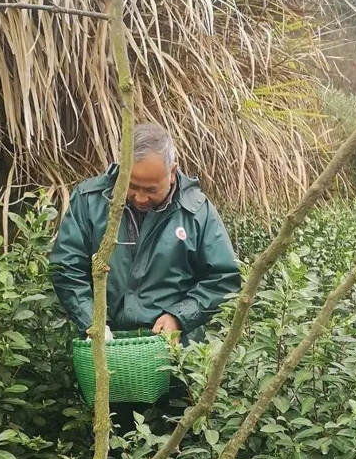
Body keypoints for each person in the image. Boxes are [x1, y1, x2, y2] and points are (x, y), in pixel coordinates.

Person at [50, 122, 240, 338]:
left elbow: (224, 277)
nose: (140, 198)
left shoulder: (197, 212)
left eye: (151, 190)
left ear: (172, 172)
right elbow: (66, 268)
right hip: (102, 344)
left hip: (174, 350)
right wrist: (92, 321)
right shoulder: (89, 201)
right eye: (132, 185)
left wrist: (180, 316)